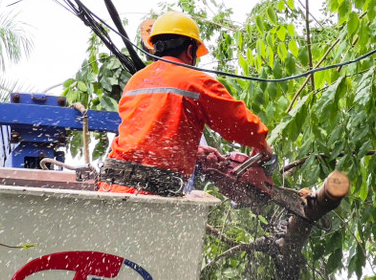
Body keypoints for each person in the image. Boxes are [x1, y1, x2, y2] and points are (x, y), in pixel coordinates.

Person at [100, 11, 273, 195]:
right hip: (151, 195)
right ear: (191, 50)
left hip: (111, 187)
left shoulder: (136, 81)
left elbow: (144, 139)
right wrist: (262, 143)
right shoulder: (195, 82)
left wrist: (194, 151)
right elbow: (237, 122)